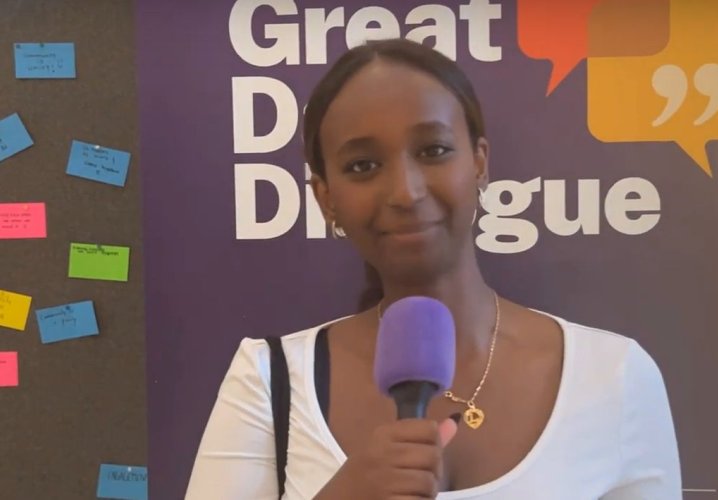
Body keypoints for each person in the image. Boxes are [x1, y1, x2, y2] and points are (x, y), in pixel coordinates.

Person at [185, 38, 681, 499]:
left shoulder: (614, 375)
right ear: (325, 197)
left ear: (479, 162)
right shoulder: (269, 378)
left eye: (434, 151)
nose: (406, 191)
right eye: (362, 165)